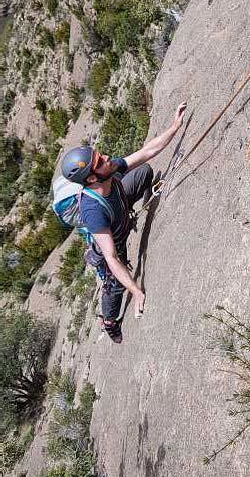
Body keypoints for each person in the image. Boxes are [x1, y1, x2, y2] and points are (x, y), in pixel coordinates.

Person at [61, 102, 187, 343]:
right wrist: (136, 290)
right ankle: (109, 322)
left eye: (101, 156)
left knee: (144, 172)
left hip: (120, 207)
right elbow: (110, 256)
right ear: (91, 177)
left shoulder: (110, 170)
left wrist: (174, 126)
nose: (107, 157)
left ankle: (131, 211)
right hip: (112, 237)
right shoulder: (92, 210)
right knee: (115, 285)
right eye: (100, 161)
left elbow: (146, 152)